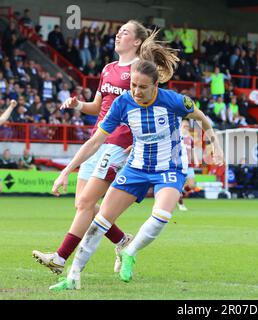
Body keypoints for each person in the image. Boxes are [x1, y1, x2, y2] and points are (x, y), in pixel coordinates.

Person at [48, 60, 224, 290]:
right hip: (136, 168)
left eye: (142, 87)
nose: (136, 92)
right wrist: (67, 170)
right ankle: (72, 277)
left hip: (168, 167)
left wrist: (215, 146)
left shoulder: (173, 100)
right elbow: (95, 142)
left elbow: (201, 118)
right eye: (133, 85)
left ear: (155, 86)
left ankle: (130, 251)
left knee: (161, 214)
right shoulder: (123, 103)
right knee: (101, 220)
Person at [32, 21, 179, 276]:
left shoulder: (140, 71)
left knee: (87, 201)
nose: (118, 35)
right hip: (98, 139)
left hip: (119, 142)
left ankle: (60, 257)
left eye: (124, 33)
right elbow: (98, 107)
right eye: (118, 31)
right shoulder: (108, 69)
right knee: (82, 204)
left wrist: (140, 138)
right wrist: (79, 105)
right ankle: (122, 240)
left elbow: (151, 105)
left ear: (136, 42)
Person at [177, 119, 200, 211]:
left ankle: (181, 192)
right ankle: (181, 204)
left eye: (187, 126)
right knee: (177, 185)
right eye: (184, 126)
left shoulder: (190, 138)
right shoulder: (177, 137)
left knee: (191, 185)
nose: (186, 128)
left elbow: (193, 150)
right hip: (179, 164)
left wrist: (197, 160)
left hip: (189, 164)